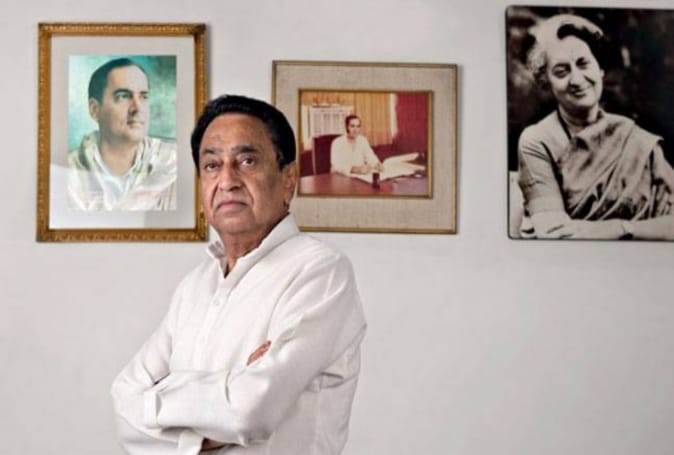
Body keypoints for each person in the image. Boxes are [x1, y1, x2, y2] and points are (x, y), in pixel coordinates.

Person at [111, 95, 367, 455]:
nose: (227, 180)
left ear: (288, 179)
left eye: (247, 161)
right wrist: (222, 403)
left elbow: (250, 411)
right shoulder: (195, 285)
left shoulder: (320, 272)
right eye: (212, 165)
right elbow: (124, 404)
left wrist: (158, 401)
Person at [516, 14, 674, 240]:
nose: (577, 79)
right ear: (547, 83)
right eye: (561, 71)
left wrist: (620, 228)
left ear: (599, 69)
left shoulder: (637, 141)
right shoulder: (537, 141)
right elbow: (553, 233)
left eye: (583, 63)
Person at [68, 57, 177, 210]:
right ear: (94, 110)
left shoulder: (173, 163)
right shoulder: (69, 175)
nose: (137, 108)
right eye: (123, 96)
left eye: (143, 97)